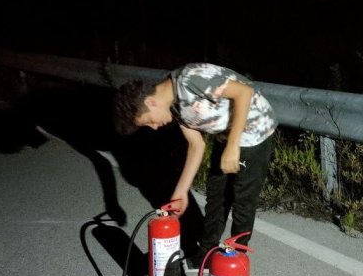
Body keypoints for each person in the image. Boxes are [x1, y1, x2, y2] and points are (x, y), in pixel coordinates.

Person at [112, 63, 277, 262]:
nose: (154, 127)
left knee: (242, 200)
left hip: (254, 132)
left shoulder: (192, 79)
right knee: (216, 194)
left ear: (150, 102)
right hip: (226, 136)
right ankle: (206, 254)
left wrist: (234, 144)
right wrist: (181, 192)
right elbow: (196, 144)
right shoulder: (174, 105)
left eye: (148, 121)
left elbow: (244, 92)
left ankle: (236, 261)